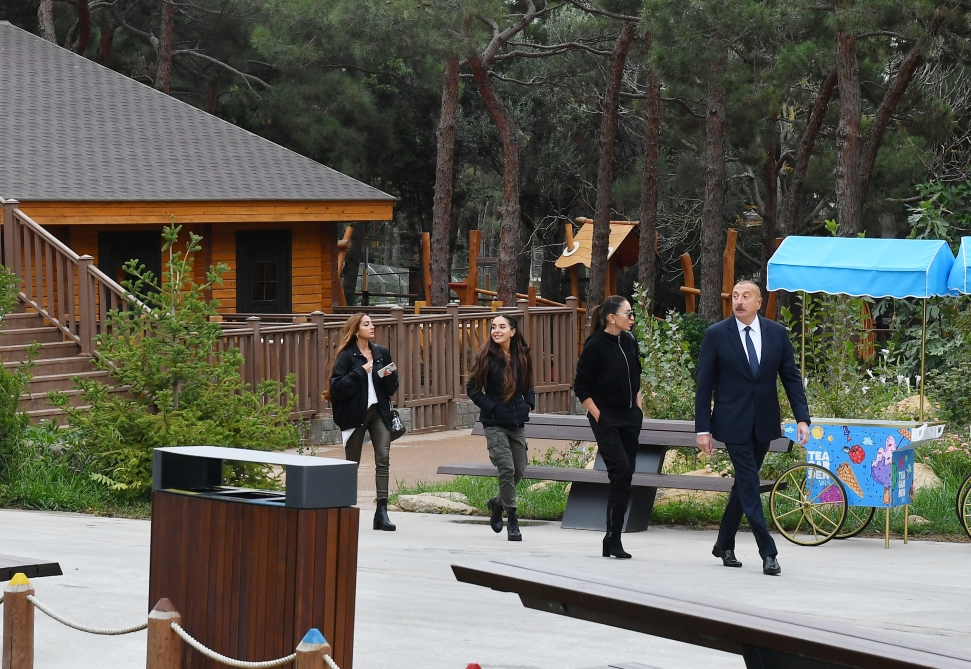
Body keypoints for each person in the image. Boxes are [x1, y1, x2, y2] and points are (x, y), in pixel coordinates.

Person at [695, 280, 811, 575]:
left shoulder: (776, 333)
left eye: (746, 296)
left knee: (744, 485)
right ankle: (768, 552)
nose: (739, 301)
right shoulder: (716, 334)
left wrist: (802, 418)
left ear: (759, 303)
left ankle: (724, 543)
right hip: (731, 422)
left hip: (764, 422)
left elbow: (791, 378)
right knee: (749, 482)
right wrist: (702, 429)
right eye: (735, 296)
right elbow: (704, 385)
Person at [573, 295, 643, 559]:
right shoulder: (595, 345)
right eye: (628, 313)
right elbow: (581, 386)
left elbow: (636, 376)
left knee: (625, 476)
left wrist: (638, 407)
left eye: (632, 312)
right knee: (621, 470)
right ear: (612, 317)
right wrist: (599, 415)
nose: (632, 317)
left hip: (630, 418)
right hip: (607, 419)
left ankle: (612, 538)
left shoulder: (629, 341)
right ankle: (613, 539)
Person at [325, 313, 400, 531]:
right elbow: (337, 388)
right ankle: (345, 510)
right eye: (367, 324)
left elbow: (393, 384)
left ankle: (382, 512)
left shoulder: (381, 353)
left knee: (383, 458)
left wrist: (388, 375)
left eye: (372, 323)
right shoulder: (346, 356)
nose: (372, 326)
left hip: (379, 412)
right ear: (356, 330)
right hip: (355, 415)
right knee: (352, 463)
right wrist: (360, 372)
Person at [466, 314, 535, 541]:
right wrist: (492, 408)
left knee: (519, 469)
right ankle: (512, 521)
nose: (496, 331)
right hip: (495, 423)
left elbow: (528, 384)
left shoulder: (523, 355)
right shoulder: (486, 356)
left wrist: (529, 401)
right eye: (494, 327)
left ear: (512, 331)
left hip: (516, 422)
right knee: (506, 469)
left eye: (502, 327)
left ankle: (497, 503)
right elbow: (472, 388)